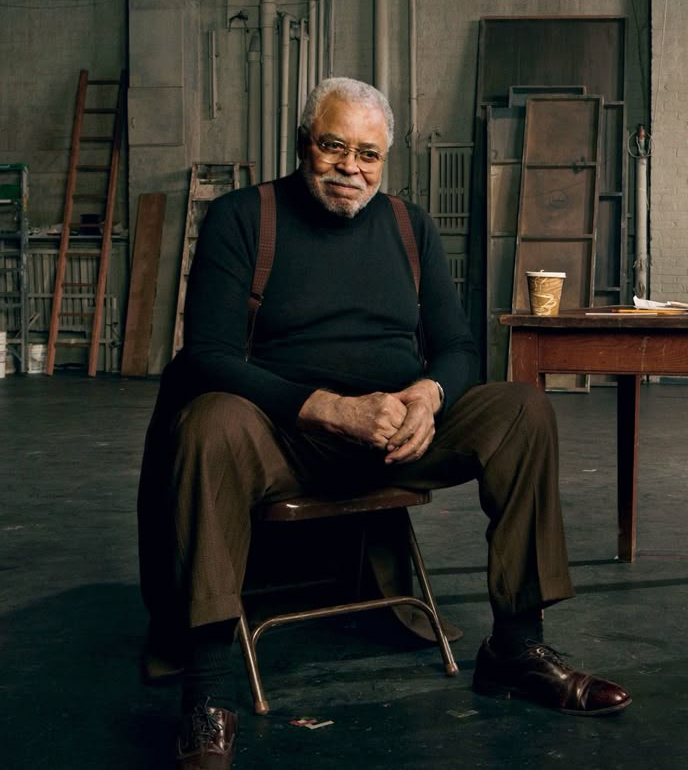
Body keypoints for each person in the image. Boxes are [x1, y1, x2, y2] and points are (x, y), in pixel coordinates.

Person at [138, 77, 631, 770]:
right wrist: (328, 407)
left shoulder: (409, 225)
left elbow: (458, 346)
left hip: (401, 433)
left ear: (385, 158)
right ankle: (207, 694)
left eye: (368, 153)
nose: (351, 168)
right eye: (334, 147)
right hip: (288, 436)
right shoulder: (244, 218)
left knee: (522, 409)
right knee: (209, 422)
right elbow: (207, 356)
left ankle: (515, 649)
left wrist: (427, 397)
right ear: (304, 143)